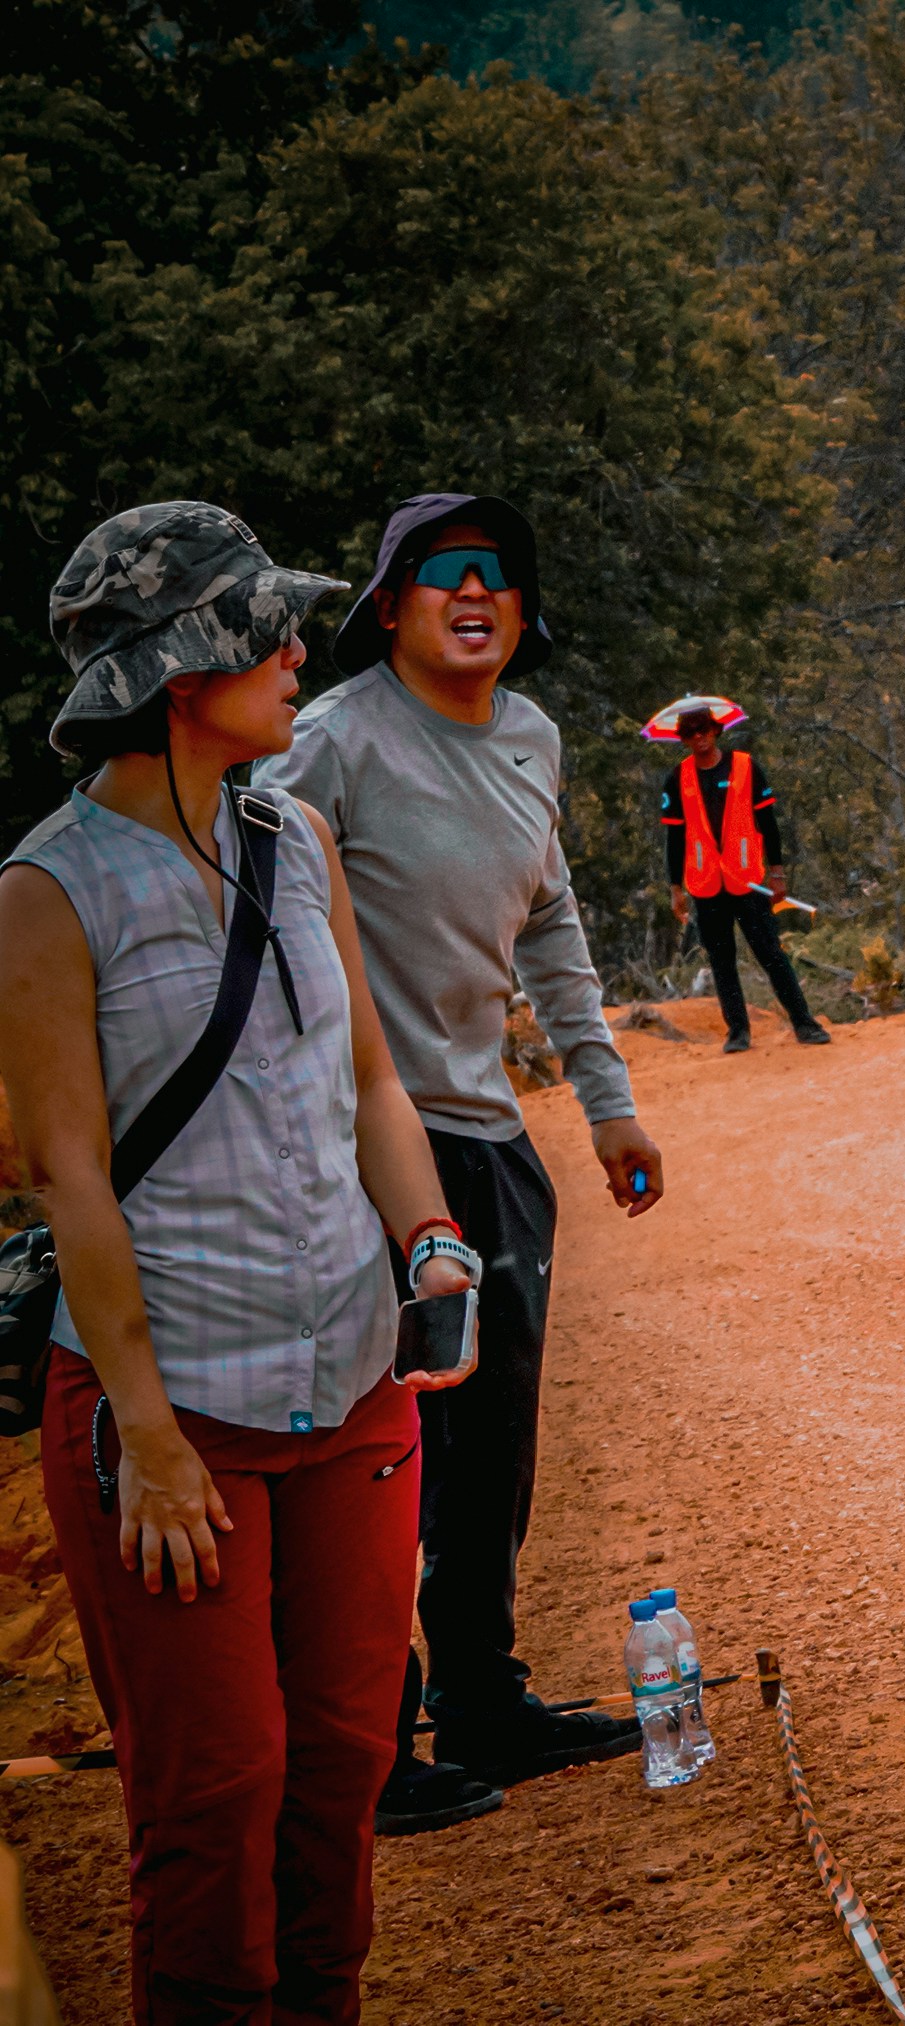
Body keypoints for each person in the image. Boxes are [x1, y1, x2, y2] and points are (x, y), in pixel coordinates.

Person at [0, 500, 485, 2020]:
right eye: (262, 631)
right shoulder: (49, 890)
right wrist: (138, 1434)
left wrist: (433, 1242)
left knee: (344, 1754)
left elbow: (371, 1087)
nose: (294, 653)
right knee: (215, 1787)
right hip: (171, 1412)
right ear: (177, 668)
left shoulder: (298, 837)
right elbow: (70, 1174)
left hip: (349, 1380)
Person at [257, 493, 668, 1835]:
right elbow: (237, 889)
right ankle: (365, 1741)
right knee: (391, 1450)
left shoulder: (530, 739)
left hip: (491, 1140)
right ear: (391, 604)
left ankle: (484, 1697)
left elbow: (550, 927)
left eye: (499, 575)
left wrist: (606, 1103)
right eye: (446, 576)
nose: (476, 594)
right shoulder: (330, 744)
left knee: (489, 1444)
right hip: (366, 1148)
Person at [655, 704, 829, 1053]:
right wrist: (676, 888)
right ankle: (738, 1032)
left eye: (704, 729)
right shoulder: (678, 779)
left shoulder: (746, 767)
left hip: (747, 879)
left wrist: (777, 873)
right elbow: (675, 838)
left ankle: (804, 1023)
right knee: (721, 961)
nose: (699, 737)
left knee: (771, 954)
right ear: (683, 739)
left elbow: (768, 824)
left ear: (716, 729)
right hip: (705, 884)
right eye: (690, 732)